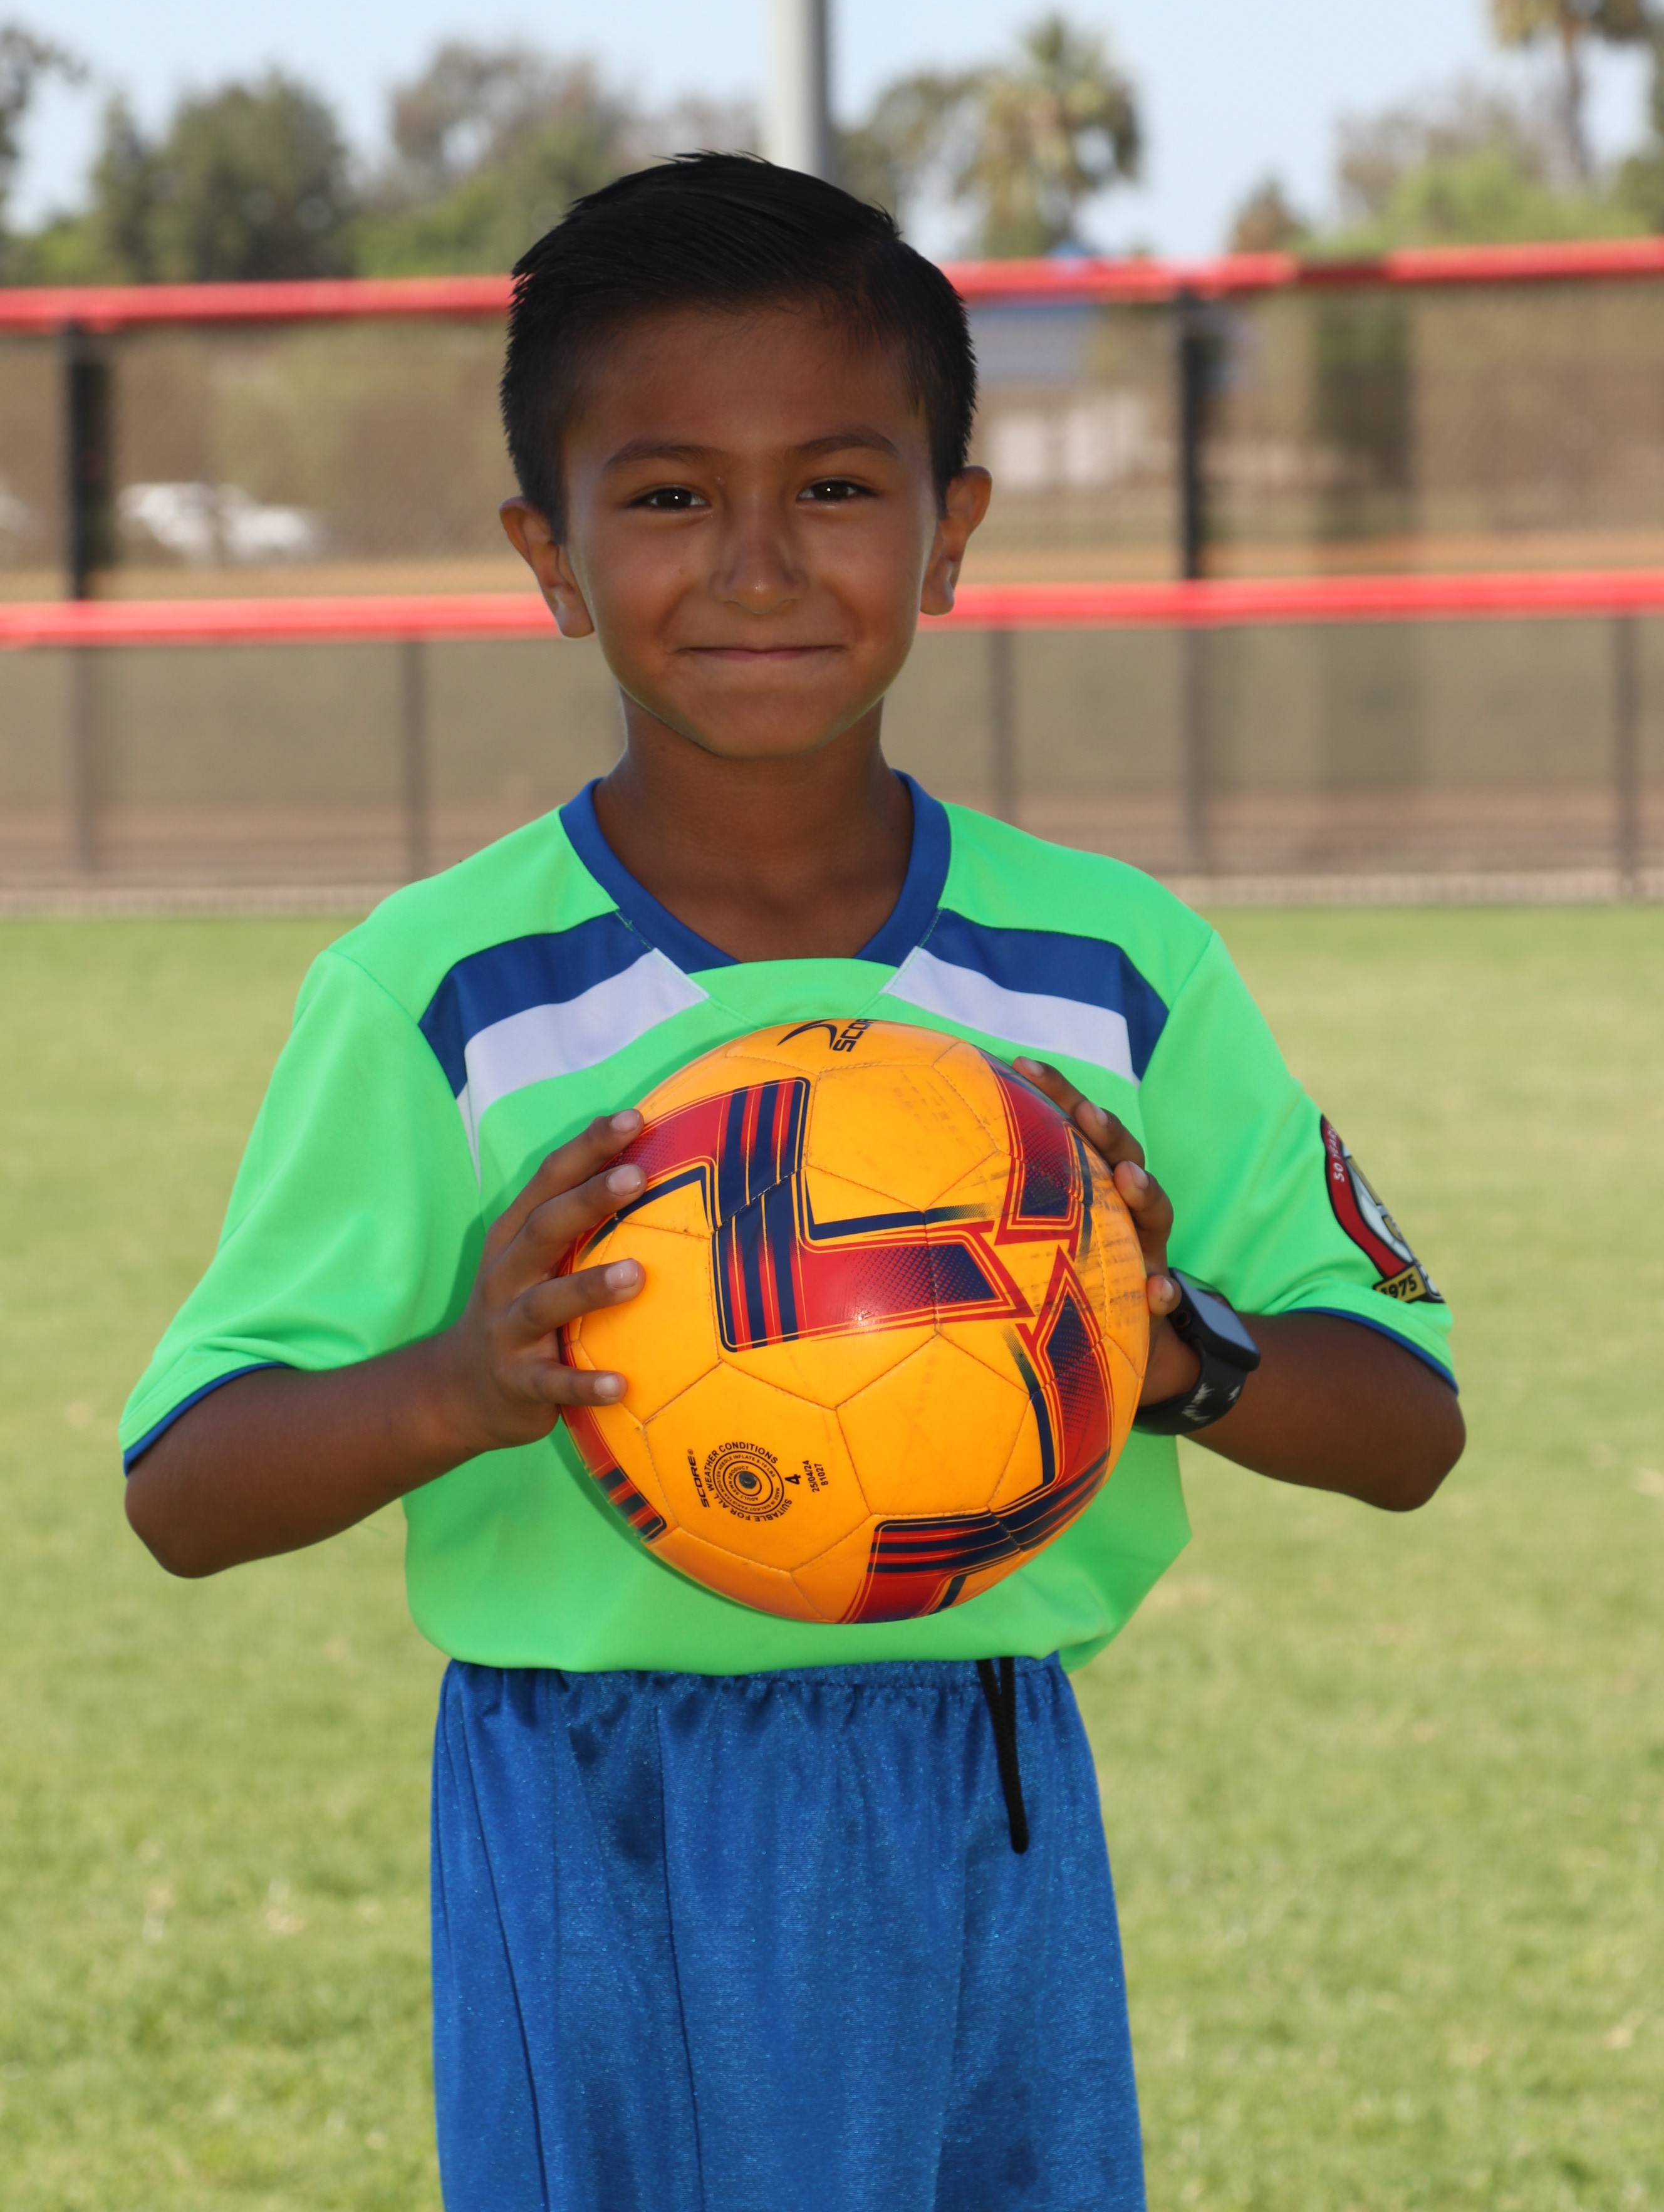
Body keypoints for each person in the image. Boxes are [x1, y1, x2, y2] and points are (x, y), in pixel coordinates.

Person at [122, 155, 1464, 2212]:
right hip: (603, 1802)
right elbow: (187, 1487)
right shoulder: (440, 995)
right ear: (551, 557)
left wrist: (1165, 1343)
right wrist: (458, 1385)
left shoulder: (1112, 968)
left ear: (951, 533)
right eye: (669, 495)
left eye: (837, 485)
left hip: (987, 1780)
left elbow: (1408, 1424)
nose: (758, 563)